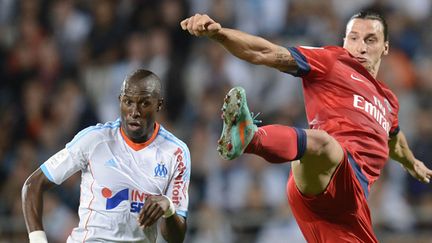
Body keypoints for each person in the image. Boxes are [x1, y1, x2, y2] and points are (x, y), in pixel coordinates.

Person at [180, 11, 432, 242]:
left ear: (385, 47)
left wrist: (412, 163)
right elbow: (266, 52)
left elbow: (394, 140)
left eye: (370, 40)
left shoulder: (389, 101)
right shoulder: (332, 60)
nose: (361, 48)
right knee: (326, 144)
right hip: (320, 172)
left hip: (349, 208)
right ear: (344, 40)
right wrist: (220, 34)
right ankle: (250, 137)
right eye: (354, 38)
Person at [22, 69, 190, 243]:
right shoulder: (95, 139)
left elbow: (176, 238)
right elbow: (33, 185)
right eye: (128, 102)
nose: (134, 112)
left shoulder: (176, 152)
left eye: (144, 103)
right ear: (120, 101)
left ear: (159, 105)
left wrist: (168, 208)